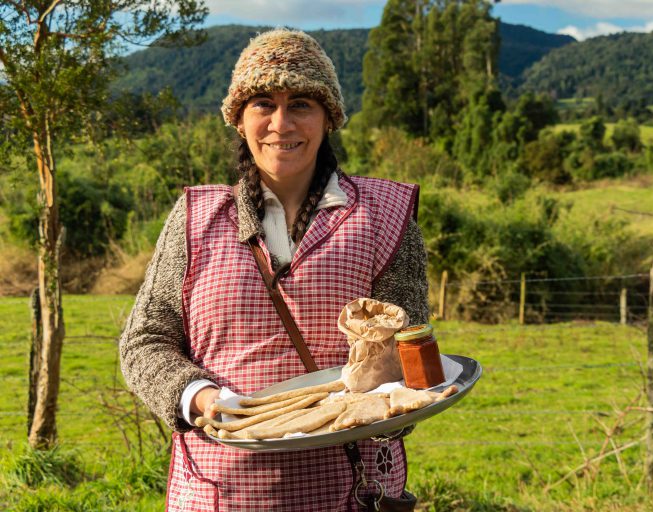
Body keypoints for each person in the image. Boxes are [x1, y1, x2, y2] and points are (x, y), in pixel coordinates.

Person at [119, 28, 429, 511]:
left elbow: (409, 347)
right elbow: (145, 342)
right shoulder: (195, 219)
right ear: (239, 120)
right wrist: (200, 397)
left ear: (329, 118)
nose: (281, 123)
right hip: (217, 493)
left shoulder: (383, 216)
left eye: (301, 103)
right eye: (263, 103)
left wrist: (385, 403)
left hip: (351, 490)